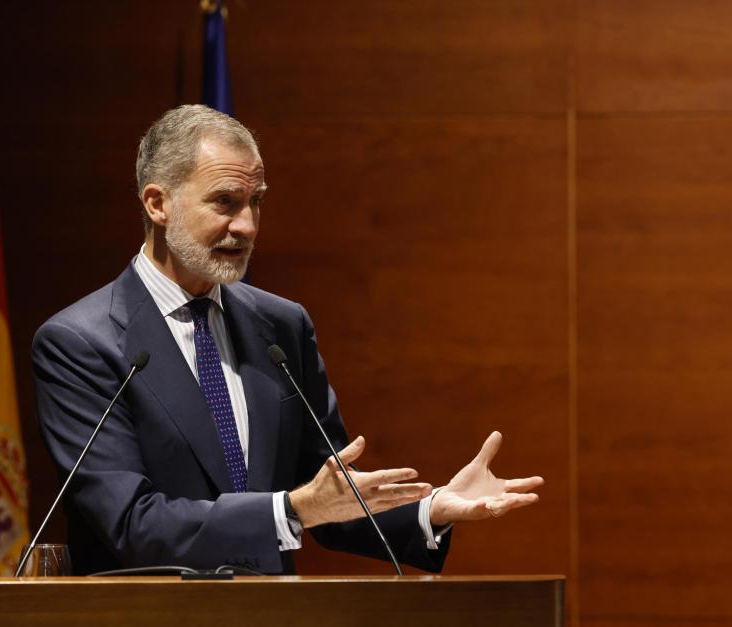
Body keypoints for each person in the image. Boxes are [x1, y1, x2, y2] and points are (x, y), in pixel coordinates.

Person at [33, 105, 544, 575]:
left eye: (256, 202)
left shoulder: (280, 326)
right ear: (157, 203)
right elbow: (130, 523)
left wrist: (430, 510)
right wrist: (291, 509)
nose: (248, 225)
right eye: (225, 203)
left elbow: (329, 499)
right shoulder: (80, 343)